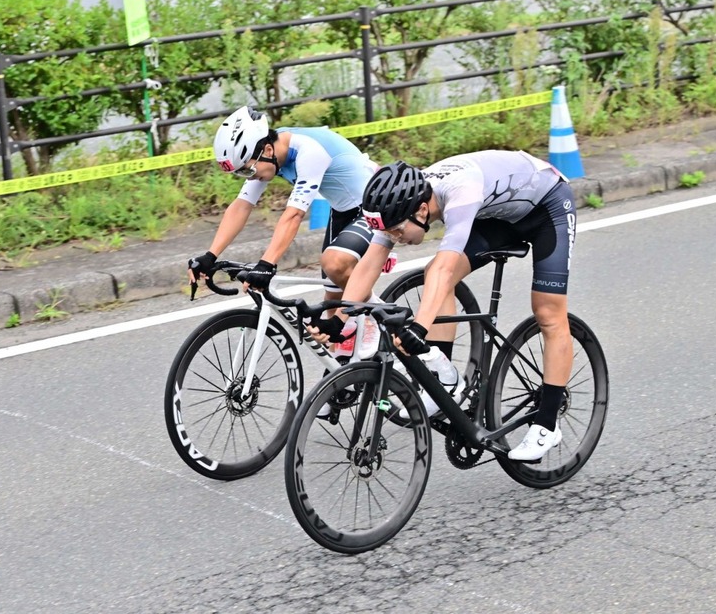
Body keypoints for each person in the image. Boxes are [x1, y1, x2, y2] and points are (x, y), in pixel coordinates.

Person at [309, 151, 577, 461]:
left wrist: (418, 331)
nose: (395, 237)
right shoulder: (404, 203)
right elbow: (369, 264)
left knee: (547, 312)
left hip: (548, 208)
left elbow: (445, 269)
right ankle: (445, 379)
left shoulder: (460, 191)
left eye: (397, 230)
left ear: (422, 210)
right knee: (434, 274)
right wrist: (341, 320)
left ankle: (546, 425)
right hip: (498, 216)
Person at [187, 105, 378, 305]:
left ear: (268, 150)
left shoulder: (308, 152)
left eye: (246, 171)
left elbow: (294, 214)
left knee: (335, 264)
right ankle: (365, 316)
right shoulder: (270, 154)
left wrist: (267, 263)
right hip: (344, 209)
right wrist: (210, 255)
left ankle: (378, 315)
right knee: (333, 299)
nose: (248, 178)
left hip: (374, 202)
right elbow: (242, 205)